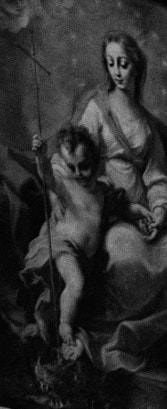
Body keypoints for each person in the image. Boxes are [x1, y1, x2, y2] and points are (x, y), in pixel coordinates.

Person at [69, 32, 167, 375]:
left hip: (148, 218)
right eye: (111, 63)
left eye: (124, 63)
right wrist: (123, 207)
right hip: (110, 215)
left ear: (137, 66)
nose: (118, 71)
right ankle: (125, 339)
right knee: (129, 260)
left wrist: (161, 211)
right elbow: (81, 168)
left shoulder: (146, 124)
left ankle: (162, 339)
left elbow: (157, 175)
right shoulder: (96, 110)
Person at [22, 125, 114, 361]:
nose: (78, 173)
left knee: (74, 293)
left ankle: (50, 328)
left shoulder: (103, 190)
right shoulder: (67, 184)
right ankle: (65, 327)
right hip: (63, 246)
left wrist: (141, 213)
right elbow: (48, 177)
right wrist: (41, 157)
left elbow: (121, 207)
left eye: (84, 166)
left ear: (95, 160)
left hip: (86, 258)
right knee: (76, 283)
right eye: (71, 167)